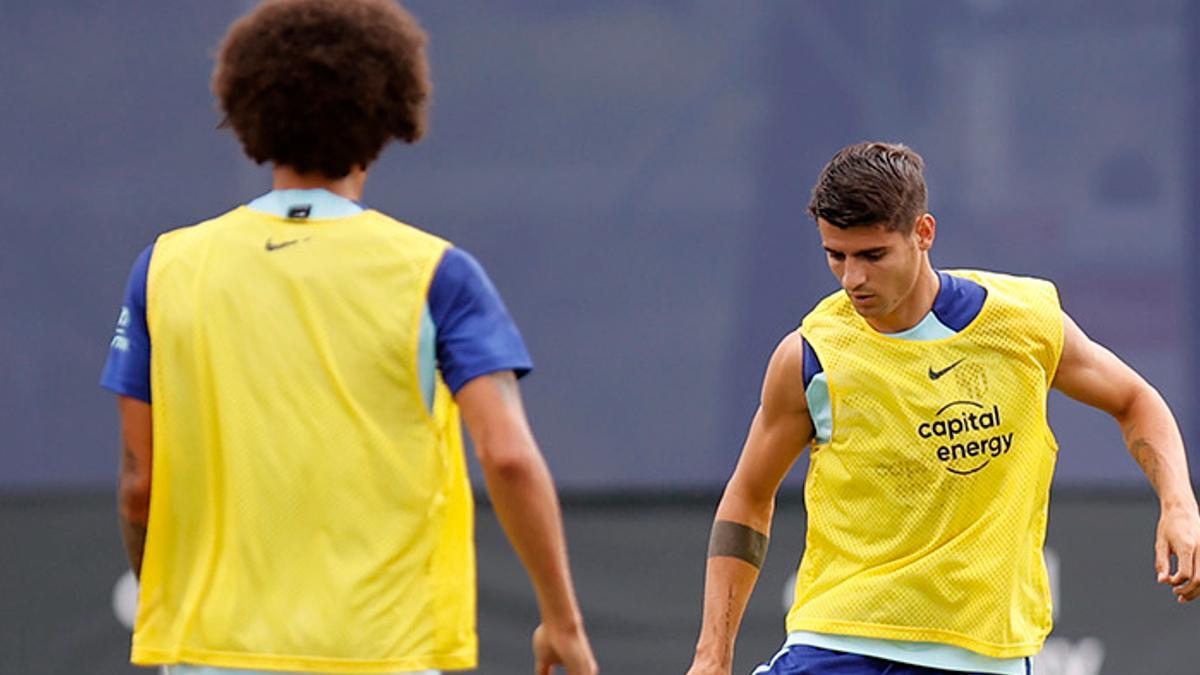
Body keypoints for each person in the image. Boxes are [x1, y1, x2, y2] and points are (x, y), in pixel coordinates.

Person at [99, 2, 598, 674]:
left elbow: (140, 482)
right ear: (390, 112)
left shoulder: (164, 268)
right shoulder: (438, 275)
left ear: (249, 107)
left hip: (208, 653)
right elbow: (506, 454)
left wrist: (180, 597)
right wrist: (561, 619)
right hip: (382, 653)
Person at [684, 141, 1200, 675]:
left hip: (984, 658)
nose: (851, 278)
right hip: (837, 641)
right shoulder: (811, 355)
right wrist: (712, 654)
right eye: (835, 255)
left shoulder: (1021, 324)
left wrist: (1179, 505)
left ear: (923, 233)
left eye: (872, 255)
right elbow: (747, 497)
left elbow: (1136, 400)